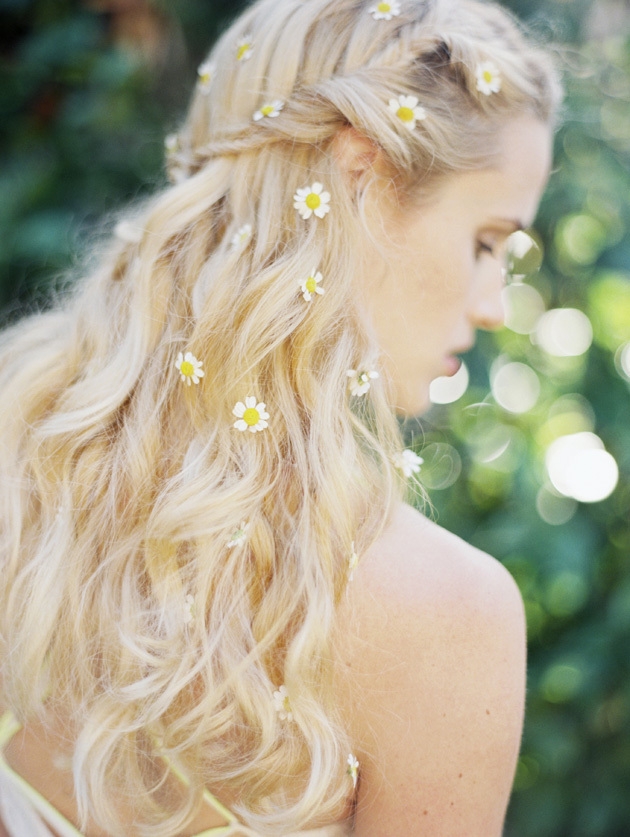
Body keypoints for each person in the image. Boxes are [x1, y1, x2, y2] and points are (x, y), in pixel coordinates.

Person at [0, 0, 561, 834]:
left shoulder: (21, 435)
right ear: (359, 179)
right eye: (486, 242)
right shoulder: (449, 614)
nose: (492, 305)